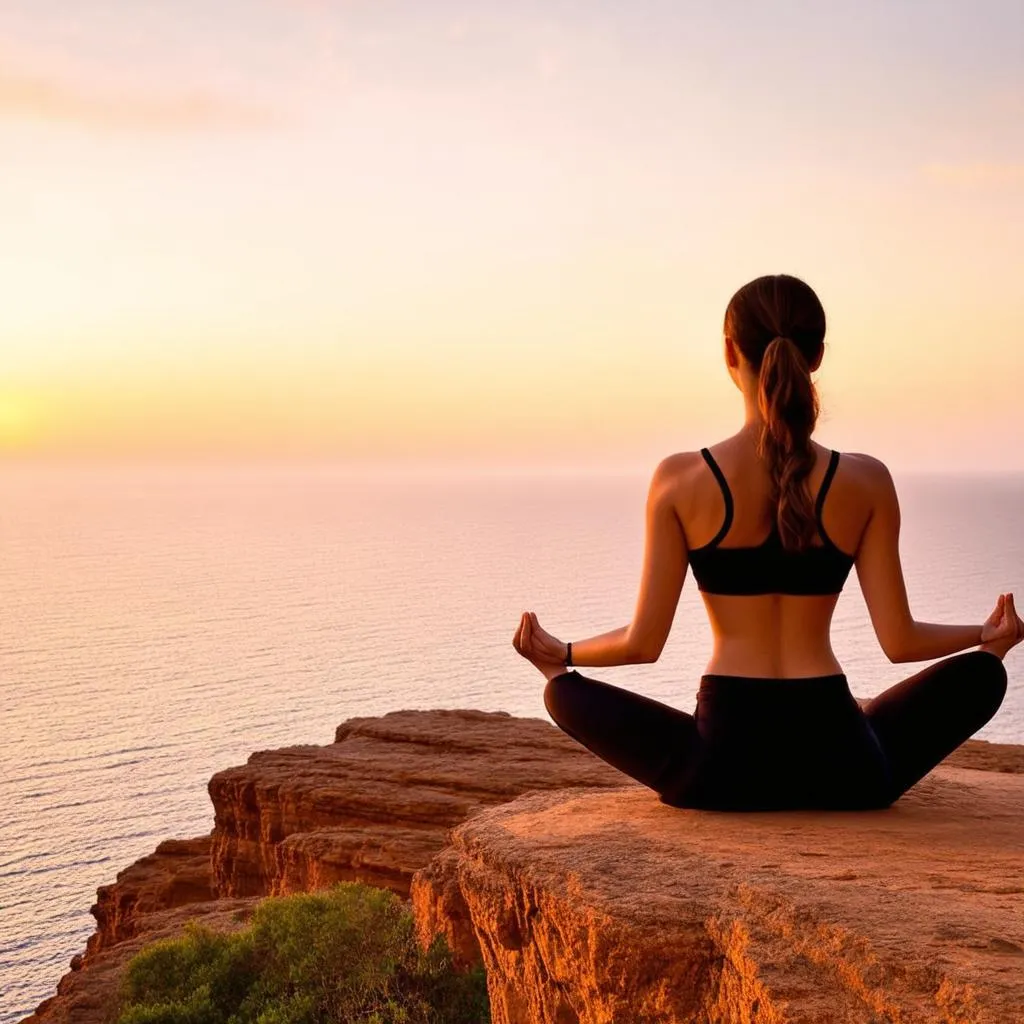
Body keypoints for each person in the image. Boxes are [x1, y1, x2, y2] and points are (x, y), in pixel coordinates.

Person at [512, 273, 1021, 811]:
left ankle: (554, 679)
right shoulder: (868, 482)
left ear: (730, 353)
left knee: (563, 694)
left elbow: (644, 643)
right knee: (982, 677)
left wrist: (561, 656)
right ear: (817, 355)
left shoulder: (680, 480)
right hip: (845, 767)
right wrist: (986, 638)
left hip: (723, 768)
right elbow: (899, 642)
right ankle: (985, 662)